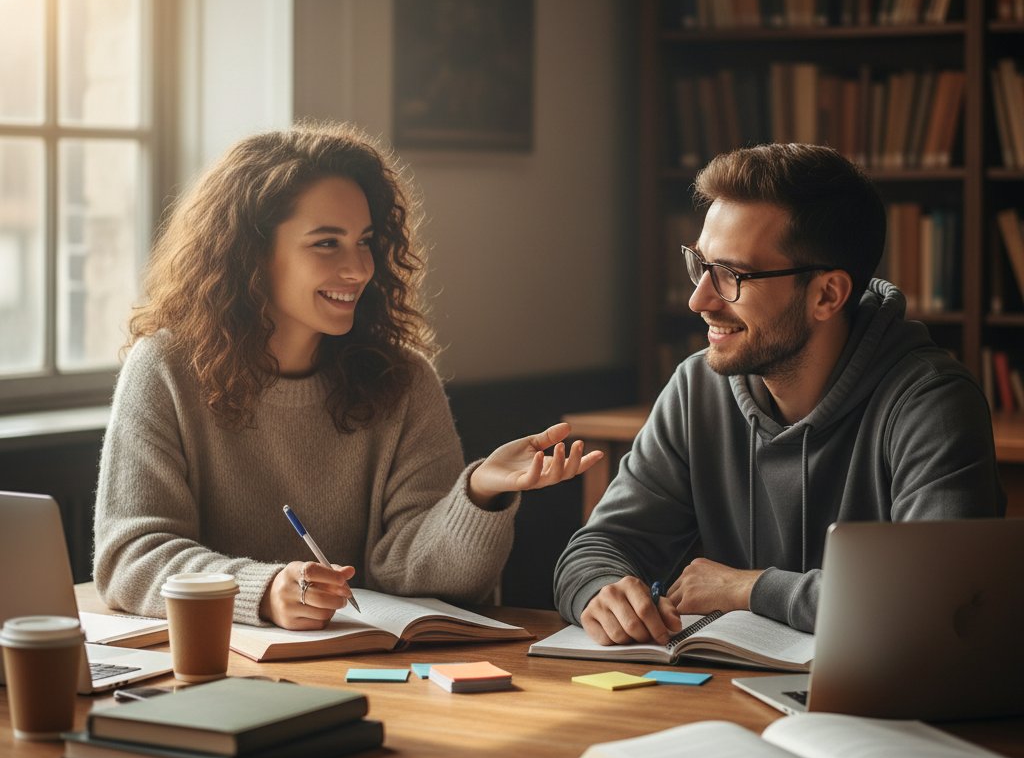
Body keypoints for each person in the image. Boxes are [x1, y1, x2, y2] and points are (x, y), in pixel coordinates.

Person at [93, 120, 602, 630]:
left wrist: (479, 495)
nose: (359, 268)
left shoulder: (403, 380)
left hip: (371, 672)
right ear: (251, 254)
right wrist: (264, 591)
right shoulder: (164, 369)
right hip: (214, 671)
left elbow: (422, 575)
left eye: (365, 241)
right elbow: (131, 557)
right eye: (326, 244)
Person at [553, 142, 1005, 645]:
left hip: (885, 715)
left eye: (732, 275)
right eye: (700, 264)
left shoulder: (933, 404)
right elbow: (596, 549)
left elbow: (937, 600)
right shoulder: (696, 387)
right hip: (731, 696)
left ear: (827, 295)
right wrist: (602, 591)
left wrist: (749, 588)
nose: (698, 298)